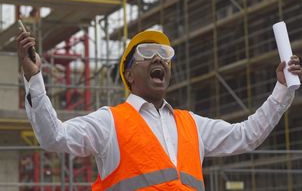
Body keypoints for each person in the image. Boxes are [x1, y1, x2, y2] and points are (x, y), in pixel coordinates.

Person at [17, 29, 301, 191]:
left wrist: (282, 88)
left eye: (165, 55)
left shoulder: (191, 124)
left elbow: (247, 135)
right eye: (146, 54)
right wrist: (34, 78)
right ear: (128, 75)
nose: (158, 59)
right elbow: (54, 137)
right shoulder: (109, 122)